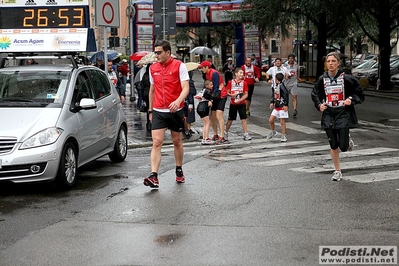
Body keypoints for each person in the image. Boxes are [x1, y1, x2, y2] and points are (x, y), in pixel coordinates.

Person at [143, 40, 190, 188]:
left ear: (168, 52)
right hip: (158, 110)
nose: (156, 55)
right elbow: (152, 90)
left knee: (177, 141)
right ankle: (154, 176)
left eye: (159, 52)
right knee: (156, 142)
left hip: (175, 110)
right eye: (155, 52)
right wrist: (150, 110)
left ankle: (179, 169)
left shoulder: (179, 66)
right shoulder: (152, 68)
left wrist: (178, 101)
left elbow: (186, 88)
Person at [311, 52, 364, 181]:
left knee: (343, 147)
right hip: (329, 113)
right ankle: (337, 171)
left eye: (333, 61)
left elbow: (359, 93)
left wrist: (350, 99)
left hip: (343, 113)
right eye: (328, 61)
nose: (330, 64)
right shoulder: (322, 79)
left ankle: (347, 139)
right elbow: (315, 94)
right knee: (333, 145)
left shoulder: (346, 78)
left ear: (338, 63)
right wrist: (319, 105)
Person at [198, 60, 228, 143]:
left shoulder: (214, 73)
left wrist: (211, 99)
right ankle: (216, 134)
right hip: (214, 96)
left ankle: (222, 135)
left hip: (221, 95)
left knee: (219, 115)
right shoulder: (206, 74)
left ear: (207, 67)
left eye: (202, 68)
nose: (201, 69)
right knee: (212, 116)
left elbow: (216, 86)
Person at [225, 68, 251, 141]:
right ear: (236, 74)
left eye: (242, 73)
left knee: (243, 119)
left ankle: (246, 134)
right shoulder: (231, 82)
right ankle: (226, 132)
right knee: (230, 119)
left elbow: (246, 94)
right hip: (233, 103)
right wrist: (231, 95)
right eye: (240, 73)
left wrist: (241, 100)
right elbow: (227, 91)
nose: (242, 74)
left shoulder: (244, 83)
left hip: (241, 103)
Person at [267, 73, 289, 142]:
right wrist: (272, 102)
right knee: (271, 120)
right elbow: (273, 94)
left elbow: (286, 95)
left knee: (282, 121)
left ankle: (284, 135)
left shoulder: (282, 86)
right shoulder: (275, 86)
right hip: (277, 105)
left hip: (282, 106)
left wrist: (286, 105)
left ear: (276, 79)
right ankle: (273, 131)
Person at [195, 80, 215, 145]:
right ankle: (206, 138)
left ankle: (204, 138)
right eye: (211, 85)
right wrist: (210, 100)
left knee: (205, 123)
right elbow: (211, 96)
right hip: (203, 107)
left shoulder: (203, 90)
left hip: (199, 107)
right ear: (207, 85)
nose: (212, 86)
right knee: (207, 123)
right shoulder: (207, 91)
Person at [183, 70, 197, 139]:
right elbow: (192, 93)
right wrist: (191, 103)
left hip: (184, 100)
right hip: (188, 101)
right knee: (188, 116)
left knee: (186, 116)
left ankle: (186, 130)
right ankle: (187, 130)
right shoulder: (190, 82)